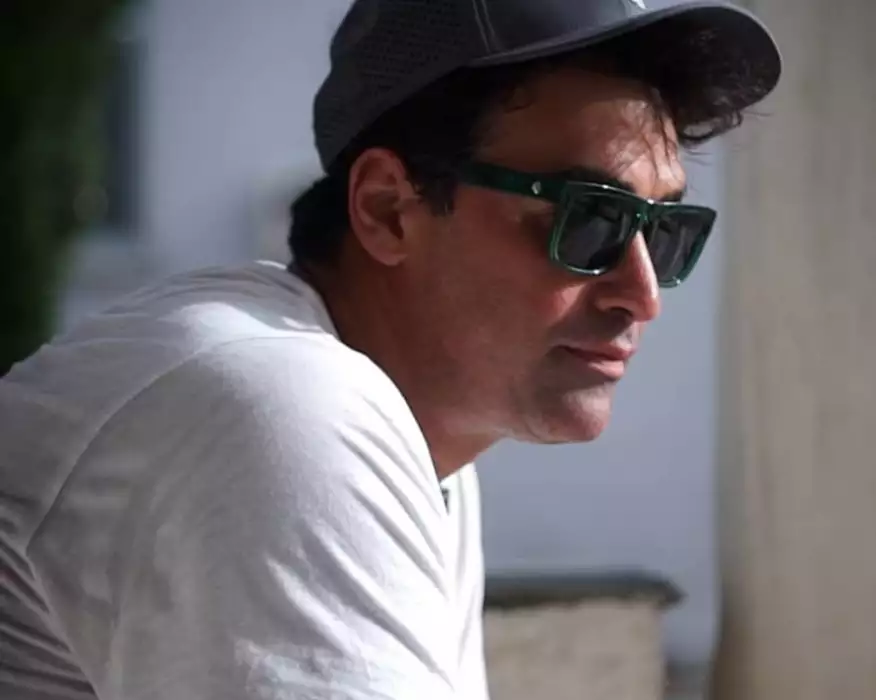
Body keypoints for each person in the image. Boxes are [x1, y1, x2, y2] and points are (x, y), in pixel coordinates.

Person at [0, 0, 781, 697]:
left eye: (665, 232)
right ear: (388, 210)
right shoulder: (284, 404)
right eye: (591, 219)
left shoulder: (420, 439)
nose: (642, 294)